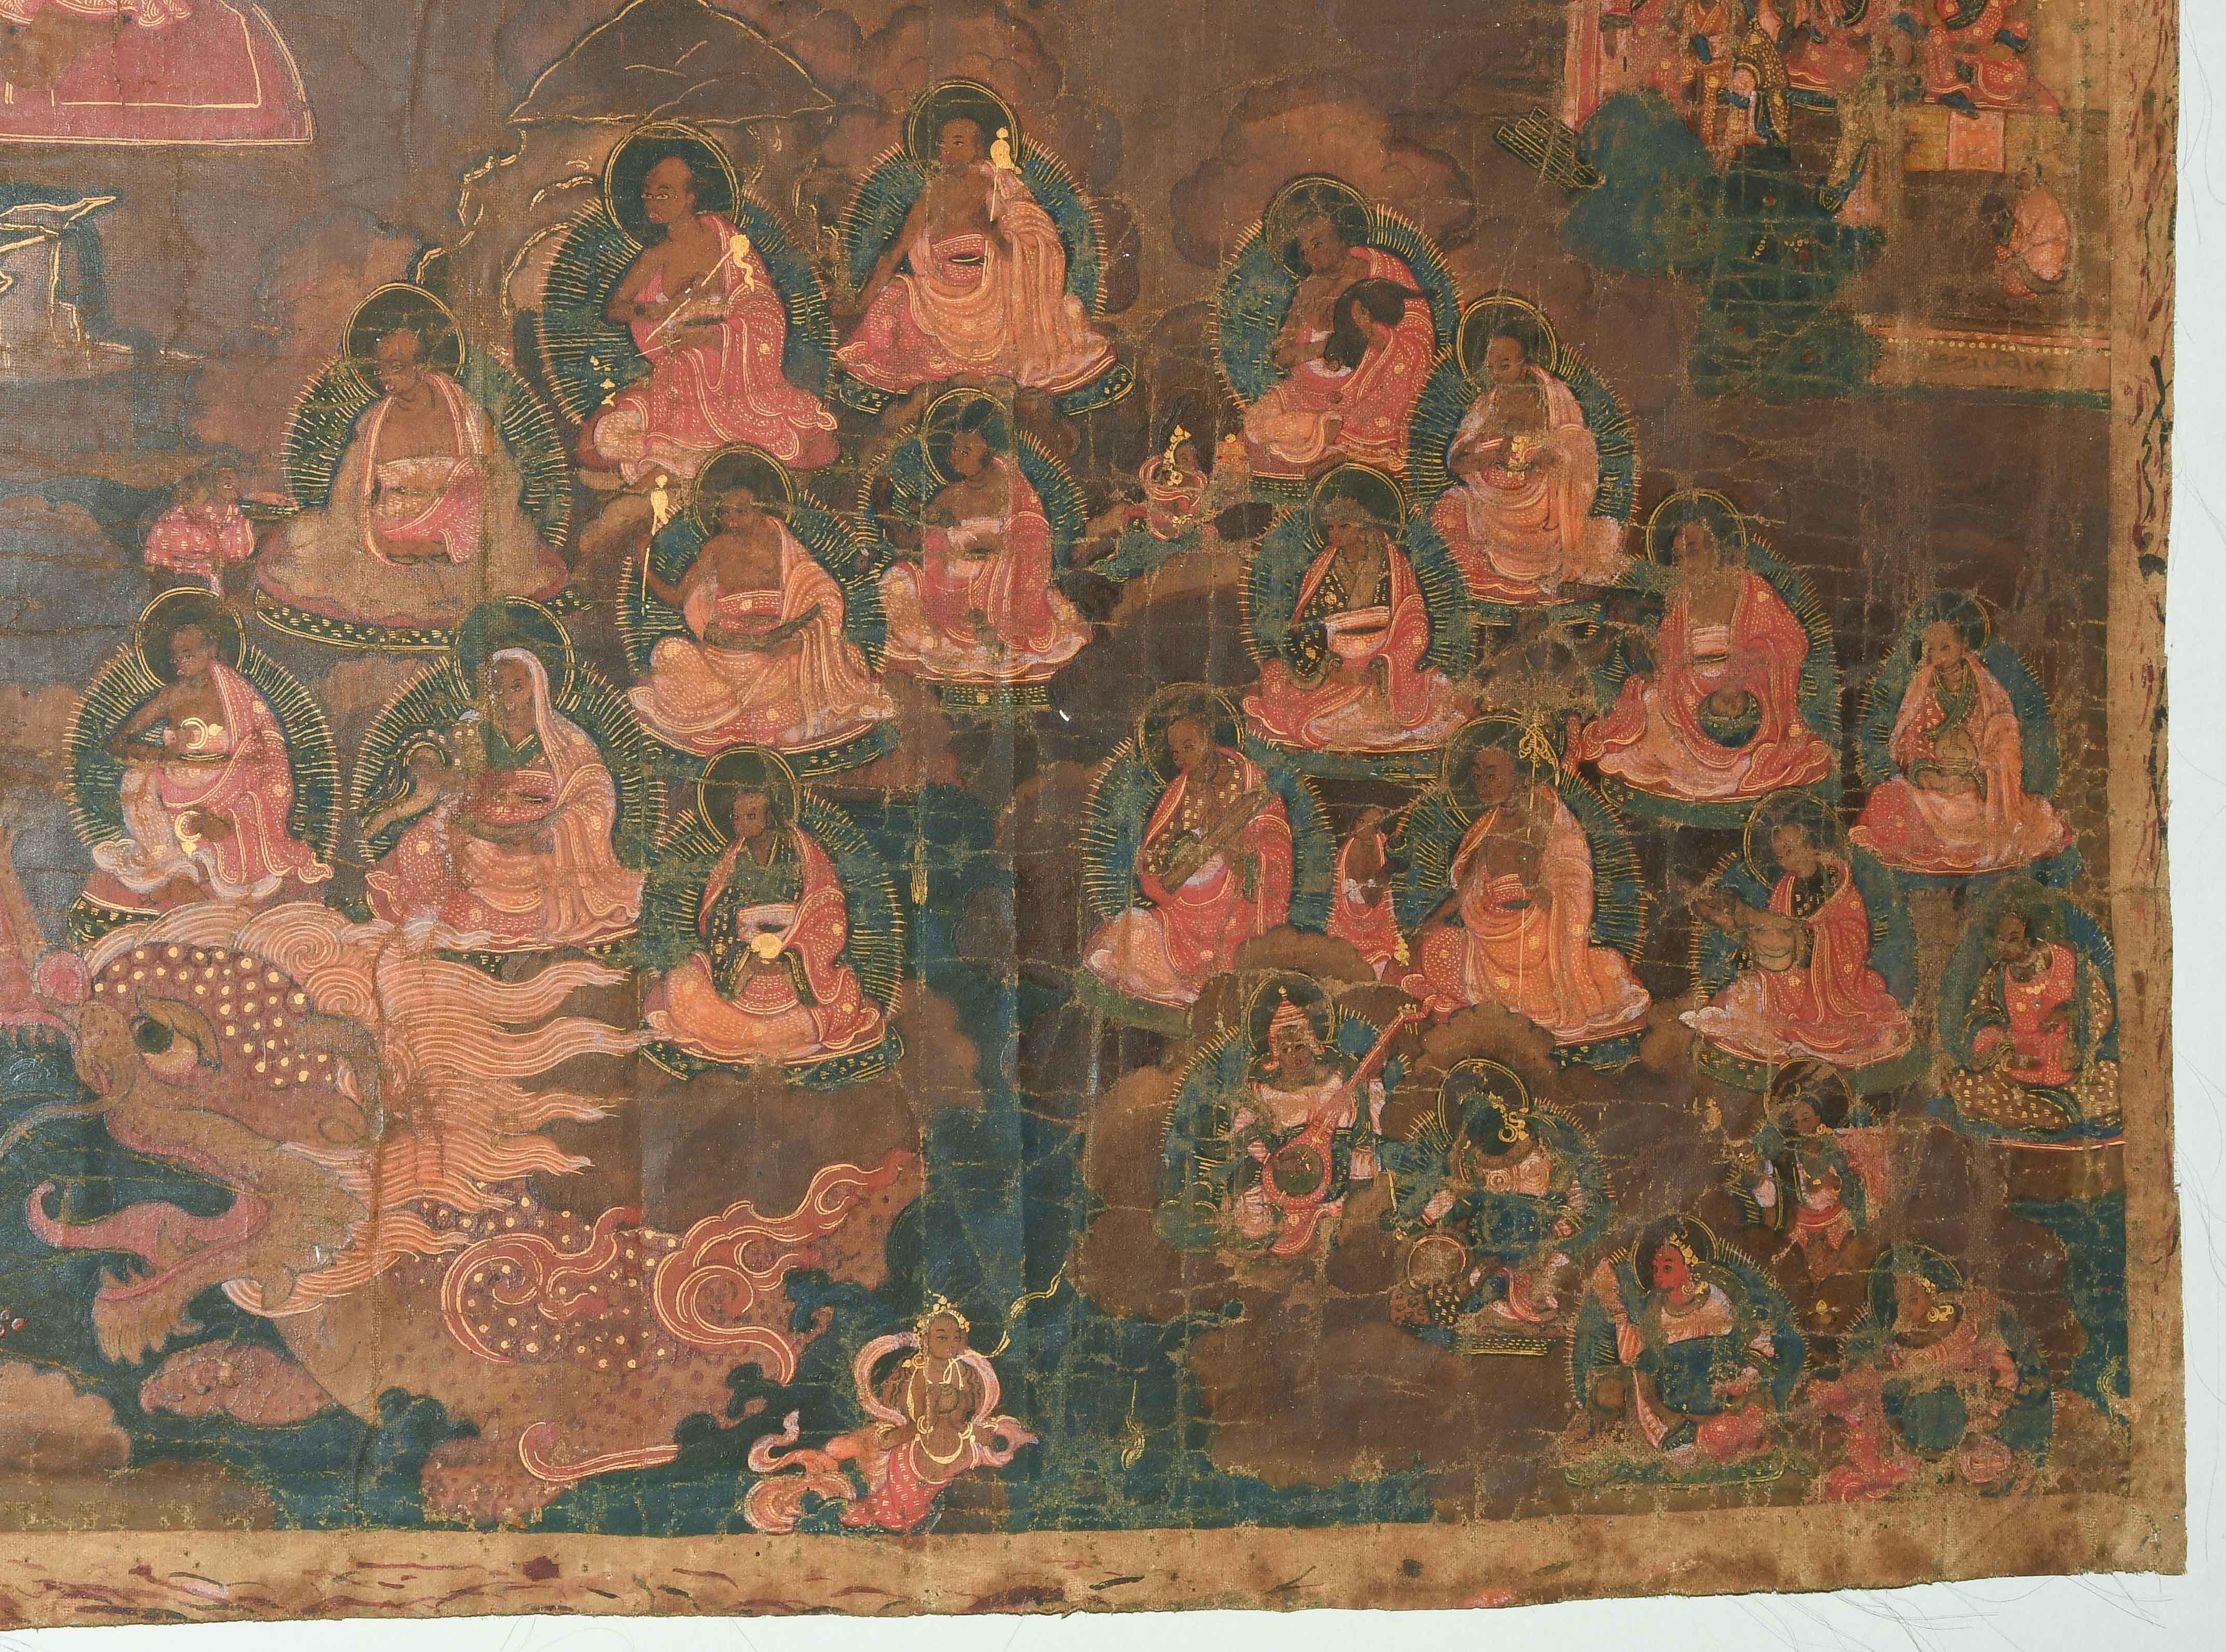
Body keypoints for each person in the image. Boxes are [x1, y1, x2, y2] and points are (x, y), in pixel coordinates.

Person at [257, 324, 569, 633]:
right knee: (311, 541)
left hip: (461, 535)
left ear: (422, 366)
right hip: (393, 536)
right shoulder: (373, 422)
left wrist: (473, 529)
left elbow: (502, 477)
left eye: (396, 367)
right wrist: (371, 538)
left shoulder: (467, 413)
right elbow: (349, 492)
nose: (385, 377)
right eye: (380, 368)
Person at [583, 156, 839, 482]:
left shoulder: (724, 238)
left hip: (736, 368)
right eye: (648, 194)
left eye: (664, 194)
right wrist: (656, 311)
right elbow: (614, 309)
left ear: (690, 197)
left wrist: (709, 335)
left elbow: (763, 305)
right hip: (683, 369)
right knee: (619, 439)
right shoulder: (655, 256)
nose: (653, 203)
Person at [364, 650, 642, 951]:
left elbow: (594, 795)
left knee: (533, 867)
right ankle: (432, 916)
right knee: (422, 841)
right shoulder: (475, 731)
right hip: (481, 825)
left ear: (537, 688)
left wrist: (554, 830)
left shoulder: (564, 739)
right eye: (497, 689)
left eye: (516, 688)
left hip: (537, 834)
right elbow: (456, 781)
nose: (507, 700)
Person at [1569, 498, 1832, 802]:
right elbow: (1669, 651)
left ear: (1716, 547)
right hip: (1688, 690)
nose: (1686, 564)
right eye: (1678, 557)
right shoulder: (1684, 598)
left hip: (1745, 690)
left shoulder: (1751, 587)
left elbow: (1790, 640)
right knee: (1648, 702)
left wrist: (1740, 676)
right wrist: (1656, 655)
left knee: (1742, 730)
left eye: (1692, 551)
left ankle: (1728, 770)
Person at [837, 116, 1115, 398]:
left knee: (1019, 331)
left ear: (978, 150)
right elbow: (897, 249)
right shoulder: (932, 193)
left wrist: (991, 232)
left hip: (989, 296)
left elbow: (1023, 254)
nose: (947, 151)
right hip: (937, 293)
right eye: (942, 143)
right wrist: (862, 302)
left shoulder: (998, 190)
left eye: (958, 143)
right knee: (892, 299)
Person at [1400, 742, 1652, 1046]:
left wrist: (1531, 884)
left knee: (1602, 974)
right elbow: (1465, 891)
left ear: (1520, 774)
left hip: (1538, 943)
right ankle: (1489, 999)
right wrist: (1427, 926)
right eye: (1477, 776)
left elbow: (1567, 893)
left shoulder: (1546, 816)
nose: (1483, 785)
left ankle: (1520, 1002)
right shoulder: (1487, 826)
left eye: (1492, 775)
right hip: (1486, 940)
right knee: (1435, 947)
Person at [628, 478, 894, 756]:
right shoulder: (715, 549)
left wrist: (799, 639)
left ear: (759, 509)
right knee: (669, 651)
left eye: (741, 511)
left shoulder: (783, 542)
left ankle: (747, 712)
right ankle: (732, 709)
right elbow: (676, 598)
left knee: (849, 657)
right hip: (726, 655)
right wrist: (643, 561)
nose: (731, 520)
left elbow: (822, 593)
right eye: (724, 513)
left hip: (778, 655)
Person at [644, 778, 887, 1064]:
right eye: (736, 818)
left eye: (751, 817)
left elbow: (826, 912)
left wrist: (791, 958)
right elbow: (719, 916)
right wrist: (744, 958)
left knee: (845, 995)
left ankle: (763, 1034)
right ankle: (762, 1034)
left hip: (797, 960)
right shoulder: (734, 858)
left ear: (770, 817)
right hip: (742, 961)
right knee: (680, 983)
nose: (740, 825)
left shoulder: (802, 852)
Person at [92, 622, 331, 910]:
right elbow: (117, 743)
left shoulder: (237, 694)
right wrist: (161, 755)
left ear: (211, 650)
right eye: (176, 658)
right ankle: (171, 866)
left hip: (230, 786)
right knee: (135, 780)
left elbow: (263, 749)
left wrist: (233, 809)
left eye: (189, 655)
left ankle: (217, 854)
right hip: (176, 788)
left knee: (249, 793)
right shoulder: (172, 696)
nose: (181, 664)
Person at [1083, 714, 1294, 1009]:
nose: (1182, 757)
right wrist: (1180, 858)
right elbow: (1154, 859)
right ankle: (1177, 989)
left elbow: (1275, 842)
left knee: (1239, 969)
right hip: (1183, 911)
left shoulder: (1250, 783)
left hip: (1238, 911)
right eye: (1175, 753)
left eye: (1189, 746)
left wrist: (1244, 857)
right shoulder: (1180, 791)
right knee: (1129, 931)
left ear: (1208, 737)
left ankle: (1200, 988)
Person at [1684, 813, 1915, 1069]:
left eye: (1791, 849)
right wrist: (1772, 937)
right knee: (1756, 983)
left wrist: (1811, 937)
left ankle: (1743, 918)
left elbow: (1855, 934)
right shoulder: (1786, 886)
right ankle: (1738, 925)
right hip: (1792, 969)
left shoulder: (1839, 883)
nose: (1787, 859)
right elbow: (1776, 929)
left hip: (1832, 975)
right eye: (1780, 856)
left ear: (1810, 845)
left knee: (1818, 1011)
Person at [877, 402, 1090, 678]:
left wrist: (986, 545)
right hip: (948, 585)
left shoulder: (1013, 493)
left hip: (998, 587)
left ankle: (985, 637)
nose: (955, 458)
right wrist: (885, 509)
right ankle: (951, 637)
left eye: (966, 451)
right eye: (953, 449)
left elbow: (1031, 545)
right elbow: (911, 543)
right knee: (895, 579)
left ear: (990, 452)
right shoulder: (951, 496)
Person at [1849, 613, 2071, 876]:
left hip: (1976, 791)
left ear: (1963, 645)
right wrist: (1926, 775)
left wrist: (1976, 777)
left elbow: (2005, 743)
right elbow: (1911, 741)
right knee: (1883, 797)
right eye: (1931, 649)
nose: (1938, 656)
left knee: (1994, 818)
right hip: (1930, 788)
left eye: (1946, 647)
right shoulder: (1923, 688)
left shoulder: (1986, 690)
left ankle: (1958, 846)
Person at [1244, 493, 1468, 751]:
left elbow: (1413, 619)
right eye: (1330, 528)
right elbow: (1306, 627)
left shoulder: (1393, 561)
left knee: (1431, 698)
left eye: (1344, 526)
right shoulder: (1322, 565)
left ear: (1363, 527)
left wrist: (1383, 664)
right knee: (1274, 675)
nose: (1335, 534)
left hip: (1384, 661)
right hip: (1333, 663)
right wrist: (1333, 668)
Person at [1386, 1072, 1607, 1333]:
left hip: (1540, 1238)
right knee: (1483, 1280)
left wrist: (1570, 1218)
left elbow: (1580, 1190)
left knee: (1539, 1273)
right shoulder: (1471, 1166)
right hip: (1489, 1244)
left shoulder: (1543, 1146)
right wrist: (1429, 1216)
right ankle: (1466, 1301)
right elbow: (1462, 1202)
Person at [1430, 328, 1629, 603]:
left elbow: (1577, 447)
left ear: (1524, 363)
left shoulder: (1553, 399)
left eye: (1505, 365)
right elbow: (1457, 462)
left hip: (1541, 505)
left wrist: (1546, 456)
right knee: (1447, 508)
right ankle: (1487, 583)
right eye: (1492, 367)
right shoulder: (1486, 405)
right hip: (1488, 499)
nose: (1497, 374)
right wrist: (1493, 453)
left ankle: (1535, 582)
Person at [1573, 1220, 1785, 1463]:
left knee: (1753, 1419)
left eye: (1667, 1267)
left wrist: (1741, 1381)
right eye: (1655, 1269)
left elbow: (1756, 1343)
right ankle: (1693, 1439)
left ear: (1690, 1264)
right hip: (1674, 1410)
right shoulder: (1654, 1311)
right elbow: (1641, 1365)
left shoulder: (1720, 1299)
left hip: (1725, 1399)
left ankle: (1715, 1438)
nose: (1658, 1276)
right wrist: (1616, 1308)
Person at [1241, 225, 1437, 481]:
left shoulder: (1381, 270)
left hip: (1364, 390)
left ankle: (1343, 443)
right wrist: (1323, 347)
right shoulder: (1308, 290)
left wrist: (1368, 330)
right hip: (1309, 392)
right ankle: (1322, 429)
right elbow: (1281, 356)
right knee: (1255, 420)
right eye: (1305, 252)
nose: (1312, 257)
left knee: (1390, 384)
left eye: (1318, 244)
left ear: (1342, 238)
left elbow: (1416, 339)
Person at [1225, 987, 1389, 1256]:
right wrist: (1271, 1160)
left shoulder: (1342, 1076)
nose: (1295, 1055)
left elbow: (1372, 1112)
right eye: (1286, 1049)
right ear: (1276, 1054)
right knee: (1253, 1209)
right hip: (1290, 1174)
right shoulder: (1265, 1092)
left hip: (1346, 1165)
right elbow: (1242, 1130)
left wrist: (1375, 1079)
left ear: (1313, 1045)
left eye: (1300, 1046)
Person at [1945, 901, 2120, 1133]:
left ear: (2031, 939)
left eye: (2013, 939)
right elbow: (1981, 1018)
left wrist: (2071, 1012)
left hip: (2069, 1071)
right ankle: (2054, 1115)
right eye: (2001, 939)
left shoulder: (2069, 961)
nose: (2004, 946)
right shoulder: (1996, 977)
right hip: (2018, 1073)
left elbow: (2101, 1006)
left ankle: (2057, 1113)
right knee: (1964, 1087)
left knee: (2113, 1082)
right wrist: (2002, 1050)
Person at [144, 463, 255, 593]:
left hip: (213, 584)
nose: (231, 483)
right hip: (176, 583)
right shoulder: (177, 516)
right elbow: (155, 556)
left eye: (236, 479)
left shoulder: (238, 519)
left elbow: (238, 556)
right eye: (225, 478)